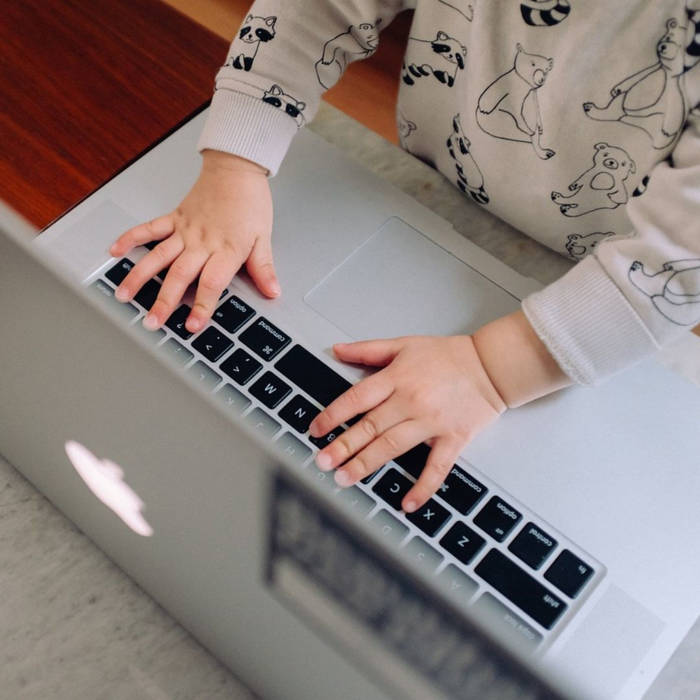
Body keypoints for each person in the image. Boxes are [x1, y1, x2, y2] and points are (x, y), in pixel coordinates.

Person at [109, 0, 700, 514]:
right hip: (440, 185)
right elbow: (313, 11)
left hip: (603, 281)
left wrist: (491, 372)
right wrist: (236, 161)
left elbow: (676, 263)